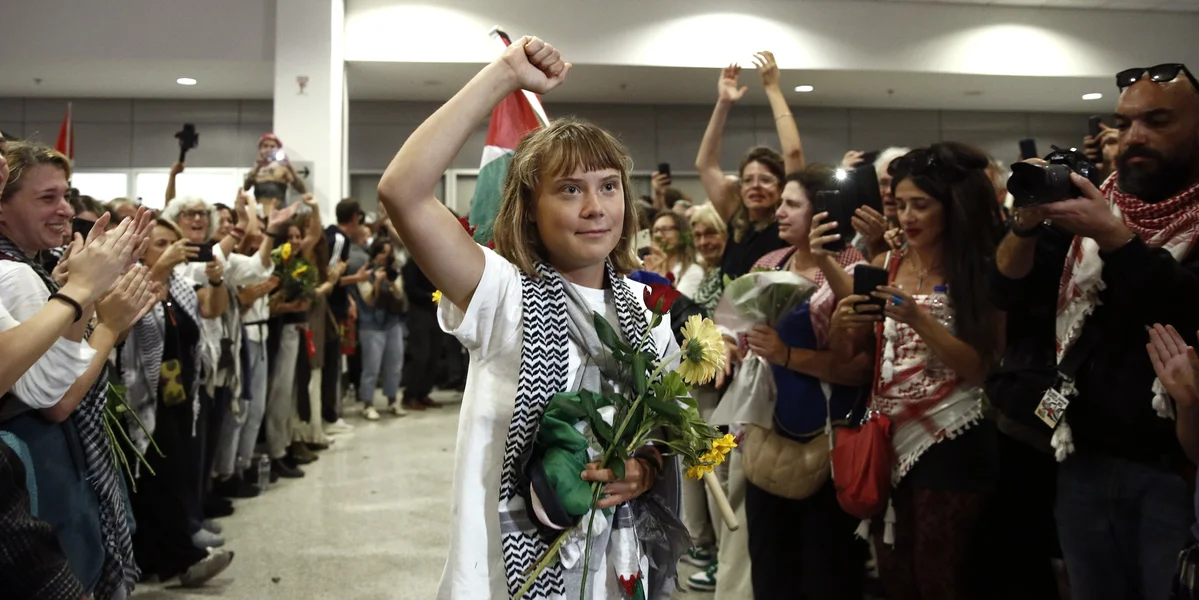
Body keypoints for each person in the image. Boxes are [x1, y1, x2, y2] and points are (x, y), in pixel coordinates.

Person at [378, 36, 683, 599]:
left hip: (615, 569)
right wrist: (504, 74)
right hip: (506, 575)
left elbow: (663, 432)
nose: (595, 207)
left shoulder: (649, 310)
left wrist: (644, 469)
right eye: (569, 190)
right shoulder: (499, 292)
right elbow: (403, 191)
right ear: (530, 211)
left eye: (608, 187)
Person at [992, 63, 1199, 600]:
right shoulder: (1098, 203)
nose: (1135, 137)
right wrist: (1025, 222)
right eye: (1124, 123)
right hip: (1079, 453)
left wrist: (1114, 236)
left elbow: (1183, 305)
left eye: (1157, 121)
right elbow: (1010, 292)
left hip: (1172, 468)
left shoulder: (1107, 221)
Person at [823, 143, 1006, 600]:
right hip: (887, 437)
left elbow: (984, 368)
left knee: (941, 573)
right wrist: (843, 325)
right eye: (901, 204)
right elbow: (854, 356)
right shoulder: (887, 264)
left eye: (920, 205)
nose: (906, 216)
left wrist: (919, 319)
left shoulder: (979, 270)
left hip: (955, 437)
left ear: (951, 207)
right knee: (895, 573)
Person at [0, 140, 154, 599]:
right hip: (40, 462)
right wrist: (105, 322)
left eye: (66, 195)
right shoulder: (14, 274)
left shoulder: (29, 267)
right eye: (47, 197)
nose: (65, 209)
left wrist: (80, 292)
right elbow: (57, 399)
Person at [723, 167, 871, 599]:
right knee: (770, 563)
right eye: (781, 203)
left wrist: (786, 354)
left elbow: (860, 367)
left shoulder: (854, 269)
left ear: (822, 211)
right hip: (768, 429)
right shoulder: (770, 262)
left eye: (792, 204)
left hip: (828, 435)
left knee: (825, 569)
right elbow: (740, 330)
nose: (780, 212)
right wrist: (730, 344)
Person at [119, 217, 236, 586]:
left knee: (176, 473)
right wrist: (159, 268)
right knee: (160, 479)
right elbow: (120, 326)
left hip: (180, 392)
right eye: (160, 243)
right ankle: (183, 560)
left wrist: (216, 280)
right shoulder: (130, 281)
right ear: (140, 249)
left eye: (174, 243)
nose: (171, 250)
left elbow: (213, 309)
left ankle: (155, 559)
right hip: (145, 397)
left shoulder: (180, 285)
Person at [696, 52, 804, 281]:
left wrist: (772, 88)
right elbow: (705, 165)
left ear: (782, 187)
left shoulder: (786, 224)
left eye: (765, 180)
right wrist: (723, 103)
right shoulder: (736, 220)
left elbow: (793, 152)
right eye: (747, 180)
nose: (755, 186)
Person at [357, 237, 407, 420]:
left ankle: (393, 400)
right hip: (371, 324)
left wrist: (392, 281)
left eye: (388, 253)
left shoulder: (394, 271)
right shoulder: (364, 271)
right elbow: (368, 299)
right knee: (371, 366)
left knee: (394, 365)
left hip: (392, 323)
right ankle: (367, 403)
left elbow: (400, 295)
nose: (385, 257)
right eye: (382, 252)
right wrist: (377, 282)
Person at [642, 211, 704, 297]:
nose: (658, 235)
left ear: (681, 234)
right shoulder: (646, 267)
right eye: (655, 231)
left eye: (665, 229)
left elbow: (677, 304)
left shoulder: (693, 271)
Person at [688, 203, 729, 315]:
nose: (703, 242)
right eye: (697, 235)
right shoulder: (708, 273)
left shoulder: (734, 275)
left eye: (711, 233)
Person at [244, 133, 307, 205]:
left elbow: (302, 190)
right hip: (260, 209)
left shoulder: (282, 167)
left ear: (277, 150)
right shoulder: (256, 169)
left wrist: (290, 167)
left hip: (279, 209)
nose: (268, 149)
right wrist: (257, 167)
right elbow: (246, 187)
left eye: (272, 146)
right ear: (260, 149)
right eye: (265, 146)